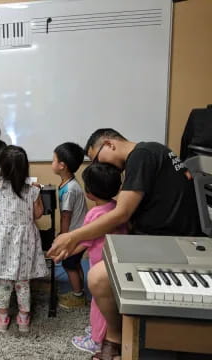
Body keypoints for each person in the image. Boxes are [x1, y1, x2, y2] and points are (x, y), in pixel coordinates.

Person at [48, 128, 202, 360]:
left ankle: (115, 338)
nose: (98, 164)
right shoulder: (151, 152)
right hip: (158, 239)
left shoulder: (141, 155)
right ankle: (117, 338)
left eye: (97, 158)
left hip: (168, 243)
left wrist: (73, 236)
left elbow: (121, 213)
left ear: (109, 144)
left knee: (98, 278)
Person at [0, 145, 48, 333]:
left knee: (4, 282)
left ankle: (3, 317)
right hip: (25, 240)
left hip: (3, 239)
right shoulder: (33, 191)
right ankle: (23, 318)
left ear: (1, 169)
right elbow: (38, 214)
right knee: (23, 282)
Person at [69, 162, 127, 354]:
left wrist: (66, 250)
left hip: (100, 269)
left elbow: (85, 240)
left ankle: (96, 340)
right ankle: (98, 332)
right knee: (107, 303)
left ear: (89, 192)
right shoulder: (118, 208)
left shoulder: (94, 213)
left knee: (99, 304)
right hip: (116, 264)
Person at [51, 142, 88, 308]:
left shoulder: (70, 190)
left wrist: (63, 236)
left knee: (69, 265)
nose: (52, 163)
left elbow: (66, 215)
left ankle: (78, 297)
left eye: (54, 160)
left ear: (62, 165)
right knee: (75, 263)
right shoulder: (69, 183)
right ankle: (80, 291)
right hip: (78, 233)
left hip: (73, 234)